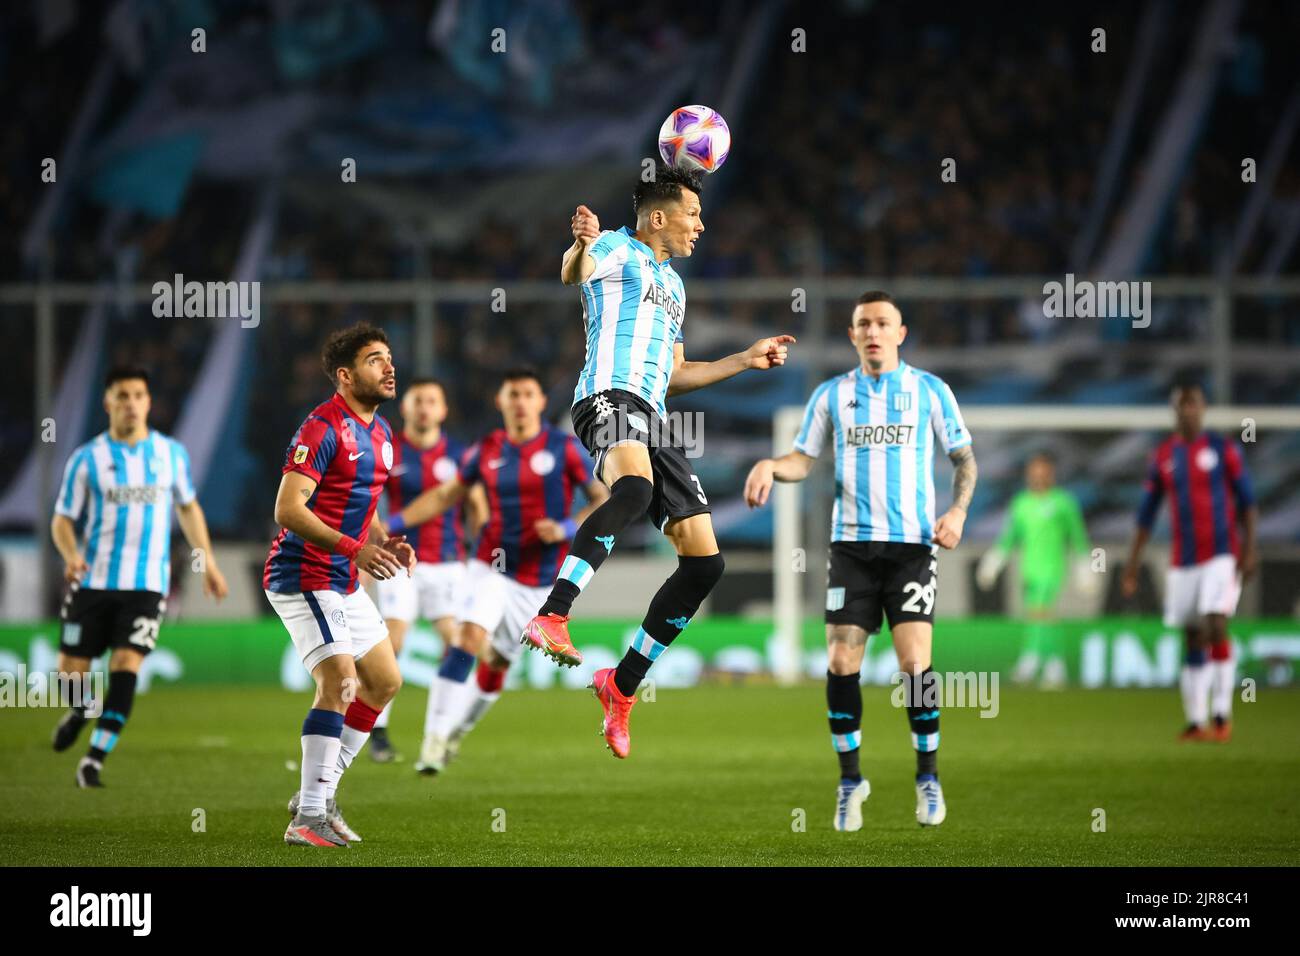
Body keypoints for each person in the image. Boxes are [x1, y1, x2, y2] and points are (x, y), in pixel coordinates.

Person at [519, 164, 794, 758]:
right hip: (607, 398)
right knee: (635, 491)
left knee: (704, 566)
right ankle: (554, 613)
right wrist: (580, 245)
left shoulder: (675, 286)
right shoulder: (617, 247)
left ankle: (620, 687)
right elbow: (576, 273)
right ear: (660, 216)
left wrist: (744, 359)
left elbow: (673, 375)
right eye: (693, 215)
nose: (701, 225)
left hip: (653, 415)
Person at [744, 292, 977, 831]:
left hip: (912, 548)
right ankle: (851, 782)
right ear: (851, 335)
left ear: (901, 333)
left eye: (882, 323)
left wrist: (959, 512)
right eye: (862, 324)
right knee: (841, 662)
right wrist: (770, 465)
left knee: (914, 666)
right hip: (851, 548)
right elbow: (802, 459)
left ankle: (928, 776)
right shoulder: (831, 396)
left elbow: (964, 460)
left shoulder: (930, 391)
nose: (872, 331)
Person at [386, 368, 608, 772]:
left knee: (497, 665)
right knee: (467, 638)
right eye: (513, 394)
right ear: (501, 401)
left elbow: (601, 499)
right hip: (489, 565)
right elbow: (444, 495)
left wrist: (565, 527)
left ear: (541, 402)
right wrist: (392, 526)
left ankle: (456, 732)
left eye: (528, 394)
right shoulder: (484, 449)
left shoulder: (564, 449)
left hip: (541, 578)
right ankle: (433, 740)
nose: (521, 402)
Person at [263, 323, 415, 847]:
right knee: (341, 684)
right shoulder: (321, 429)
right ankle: (307, 816)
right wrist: (357, 549)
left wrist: (386, 540)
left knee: (385, 682)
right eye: (376, 360)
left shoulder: (383, 434)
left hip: (343, 580)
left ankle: (319, 793)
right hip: (304, 574)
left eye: (390, 357)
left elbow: (362, 506)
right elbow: (288, 509)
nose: (390, 367)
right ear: (346, 376)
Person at [50, 367, 229, 788]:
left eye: (138, 395)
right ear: (107, 402)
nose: (131, 403)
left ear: (148, 402)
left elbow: (188, 507)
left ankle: (94, 759)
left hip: (147, 586)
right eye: (122, 395)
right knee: (69, 676)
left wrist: (209, 562)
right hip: (92, 582)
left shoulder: (170, 454)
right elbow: (62, 519)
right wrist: (72, 554)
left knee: (126, 664)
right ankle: (80, 709)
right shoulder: (86, 458)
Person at [1121, 382, 1257, 742]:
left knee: (1216, 623)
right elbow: (1147, 514)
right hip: (1184, 559)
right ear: (1175, 410)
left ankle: (1222, 715)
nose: (1188, 410)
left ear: (1204, 407)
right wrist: (1132, 564)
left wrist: (1250, 548)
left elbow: (1248, 502)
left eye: (1193, 404)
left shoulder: (1222, 449)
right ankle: (1196, 722)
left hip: (1222, 553)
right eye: (1182, 405)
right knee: (1193, 635)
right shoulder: (1164, 456)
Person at [976, 451, 1094, 689]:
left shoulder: (1063, 502)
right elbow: (1009, 538)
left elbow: (1081, 539)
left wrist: (1090, 569)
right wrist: (993, 563)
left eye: (1042, 473)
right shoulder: (1021, 503)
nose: (1038, 478)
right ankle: (1053, 663)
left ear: (1051, 474)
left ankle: (1031, 661)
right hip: (1029, 569)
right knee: (1038, 615)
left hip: (1052, 568)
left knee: (1041, 611)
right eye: (1033, 473)